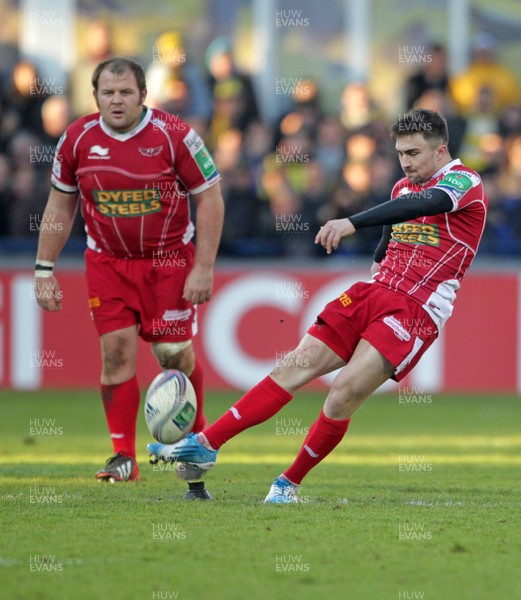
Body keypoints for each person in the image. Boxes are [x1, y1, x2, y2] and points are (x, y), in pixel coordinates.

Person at [147, 109, 488, 503]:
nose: (405, 162)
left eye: (413, 152)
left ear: (441, 149)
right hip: (374, 293)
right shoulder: (401, 188)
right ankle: (206, 443)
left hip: (416, 309)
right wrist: (376, 274)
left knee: (342, 393)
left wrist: (351, 222)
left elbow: (425, 204)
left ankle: (287, 483)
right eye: (400, 153)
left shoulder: (465, 182)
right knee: (293, 365)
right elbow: (389, 239)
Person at [34, 57, 224, 498]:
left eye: (125, 92)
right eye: (107, 93)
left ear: (143, 95)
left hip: (170, 260)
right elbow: (60, 207)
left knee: (172, 354)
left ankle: (194, 448)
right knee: (115, 355)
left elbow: (210, 199)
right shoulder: (77, 139)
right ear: (95, 96)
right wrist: (44, 268)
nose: (116, 100)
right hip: (108, 261)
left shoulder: (175, 136)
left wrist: (205, 266)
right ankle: (124, 457)